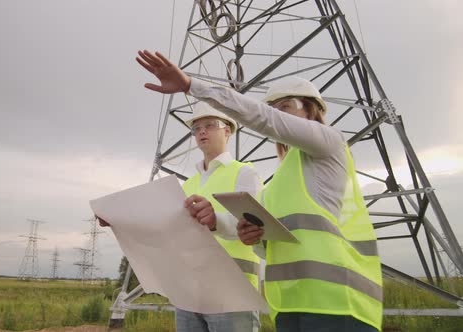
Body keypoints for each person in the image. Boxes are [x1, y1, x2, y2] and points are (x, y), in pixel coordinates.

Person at [135, 49, 383, 332]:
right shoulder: (279, 182)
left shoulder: (329, 143)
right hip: (290, 306)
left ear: (311, 108)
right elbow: (271, 245)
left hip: (338, 305)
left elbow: (265, 119)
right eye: (275, 108)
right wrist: (253, 237)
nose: (278, 115)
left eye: (285, 106)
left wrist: (192, 86)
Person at [98, 100, 264, 331]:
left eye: (210, 124)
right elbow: (168, 230)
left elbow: (254, 228)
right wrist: (120, 221)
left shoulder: (245, 173)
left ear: (228, 130)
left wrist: (216, 219)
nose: (201, 131)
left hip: (232, 294)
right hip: (190, 292)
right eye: (196, 128)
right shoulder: (190, 184)